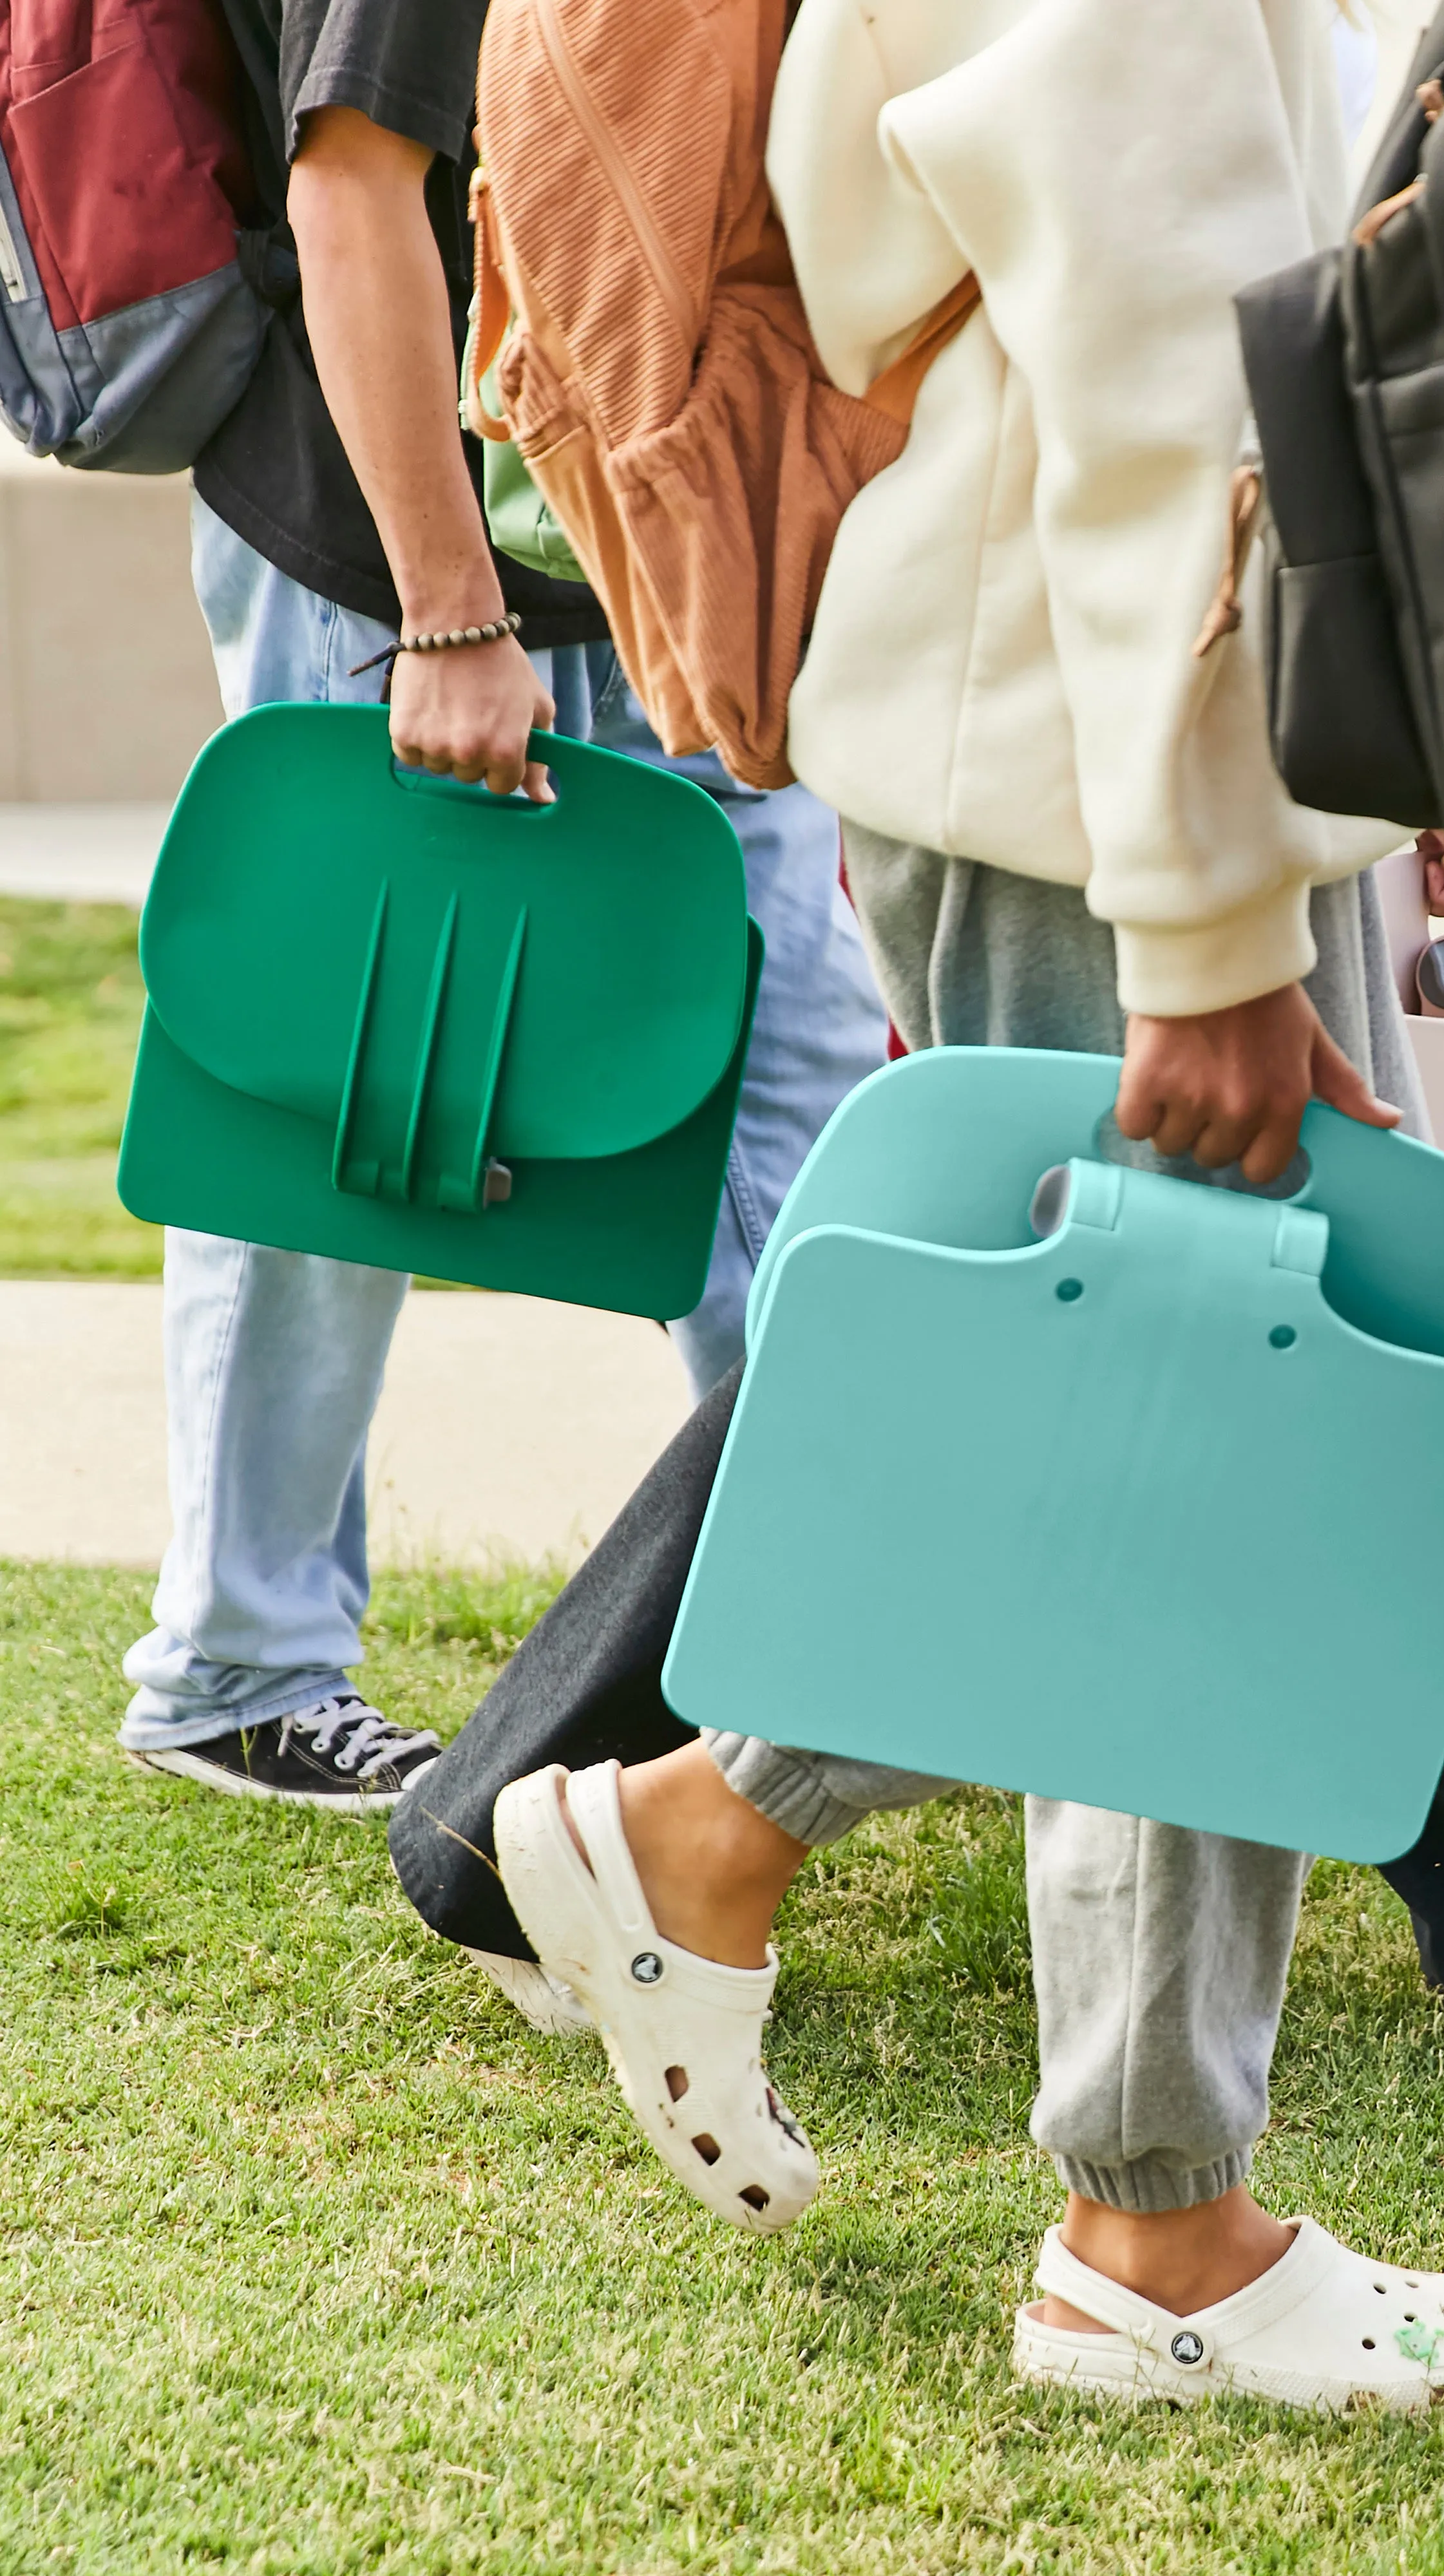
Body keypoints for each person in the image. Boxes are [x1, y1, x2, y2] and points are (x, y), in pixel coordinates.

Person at [453, 0, 1444, 2410]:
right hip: (1115, 754)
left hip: (1080, 723)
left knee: (1141, 1447)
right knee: (1224, 1473)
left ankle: (710, 1833)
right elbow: (1169, 355)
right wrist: (1210, 925)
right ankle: (1157, 2239)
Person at [115, 0, 887, 1818]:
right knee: (335, 1109)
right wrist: (442, 615)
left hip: (627, 560)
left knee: (795, 1101)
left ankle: (854, 1632)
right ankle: (235, 1668)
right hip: (399, 571)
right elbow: (354, 187)